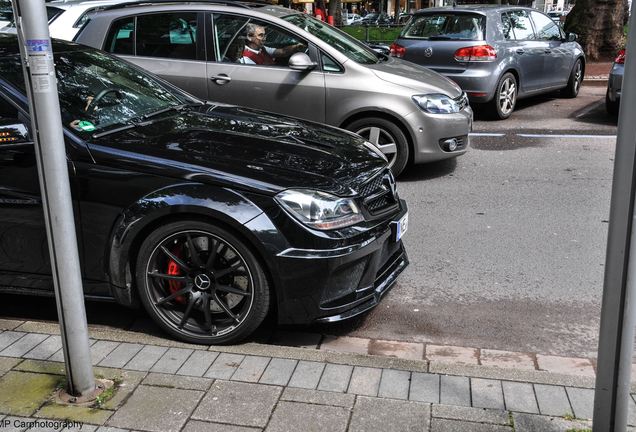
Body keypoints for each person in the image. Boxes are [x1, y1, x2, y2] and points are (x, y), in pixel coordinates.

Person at [240, 23, 305, 65]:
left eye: (264, 35)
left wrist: (296, 47)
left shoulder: (262, 49)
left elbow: (282, 52)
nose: (264, 38)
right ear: (249, 37)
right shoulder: (246, 58)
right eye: (260, 35)